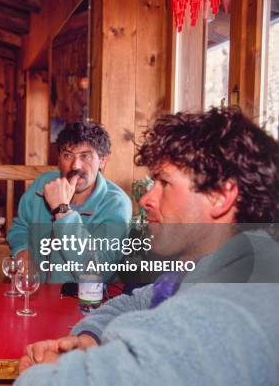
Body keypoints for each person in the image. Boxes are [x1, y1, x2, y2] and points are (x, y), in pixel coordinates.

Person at [16, 107, 279, 385]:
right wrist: (88, 338)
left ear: (220, 197)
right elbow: (138, 301)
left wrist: (43, 372)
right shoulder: (227, 262)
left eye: (164, 182)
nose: (145, 199)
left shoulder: (229, 309)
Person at [7, 121, 132, 282]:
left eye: (85, 156)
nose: (75, 165)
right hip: (36, 297)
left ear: (102, 160)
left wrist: (62, 211)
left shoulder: (116, 204)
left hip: (86, 302)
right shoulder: (42, 185)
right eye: (68, 155)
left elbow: (96, 272)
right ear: (59, 158)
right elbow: (20, 226)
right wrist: (22, 251)